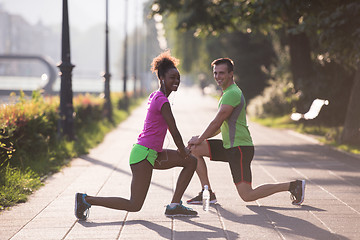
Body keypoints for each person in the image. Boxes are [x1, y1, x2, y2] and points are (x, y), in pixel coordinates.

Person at [75, 50, 198, 220]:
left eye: (178, 77)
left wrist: (183, 152)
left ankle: (174, 205)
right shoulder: (161, 99)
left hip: (152, 153)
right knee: (135, 205)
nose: (176, 81)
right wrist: (182, 150)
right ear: (162, 78)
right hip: (144, 155)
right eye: (172, 77)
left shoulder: (156, 96)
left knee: (191, 162)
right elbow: (174, 130)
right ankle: (85, 199)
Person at [187, 58, 305, 206]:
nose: (217, 76)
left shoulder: (232, 93)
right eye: (215, 73)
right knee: (195, 150)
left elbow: (217, 121)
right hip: (229, 146)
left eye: (222, 73)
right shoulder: (227, 93)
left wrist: (200, 138)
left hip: (240, 149)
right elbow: (219, 126)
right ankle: (207, 193)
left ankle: (293, 186)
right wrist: (200, 139)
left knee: (247, 195)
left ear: (231, 74)